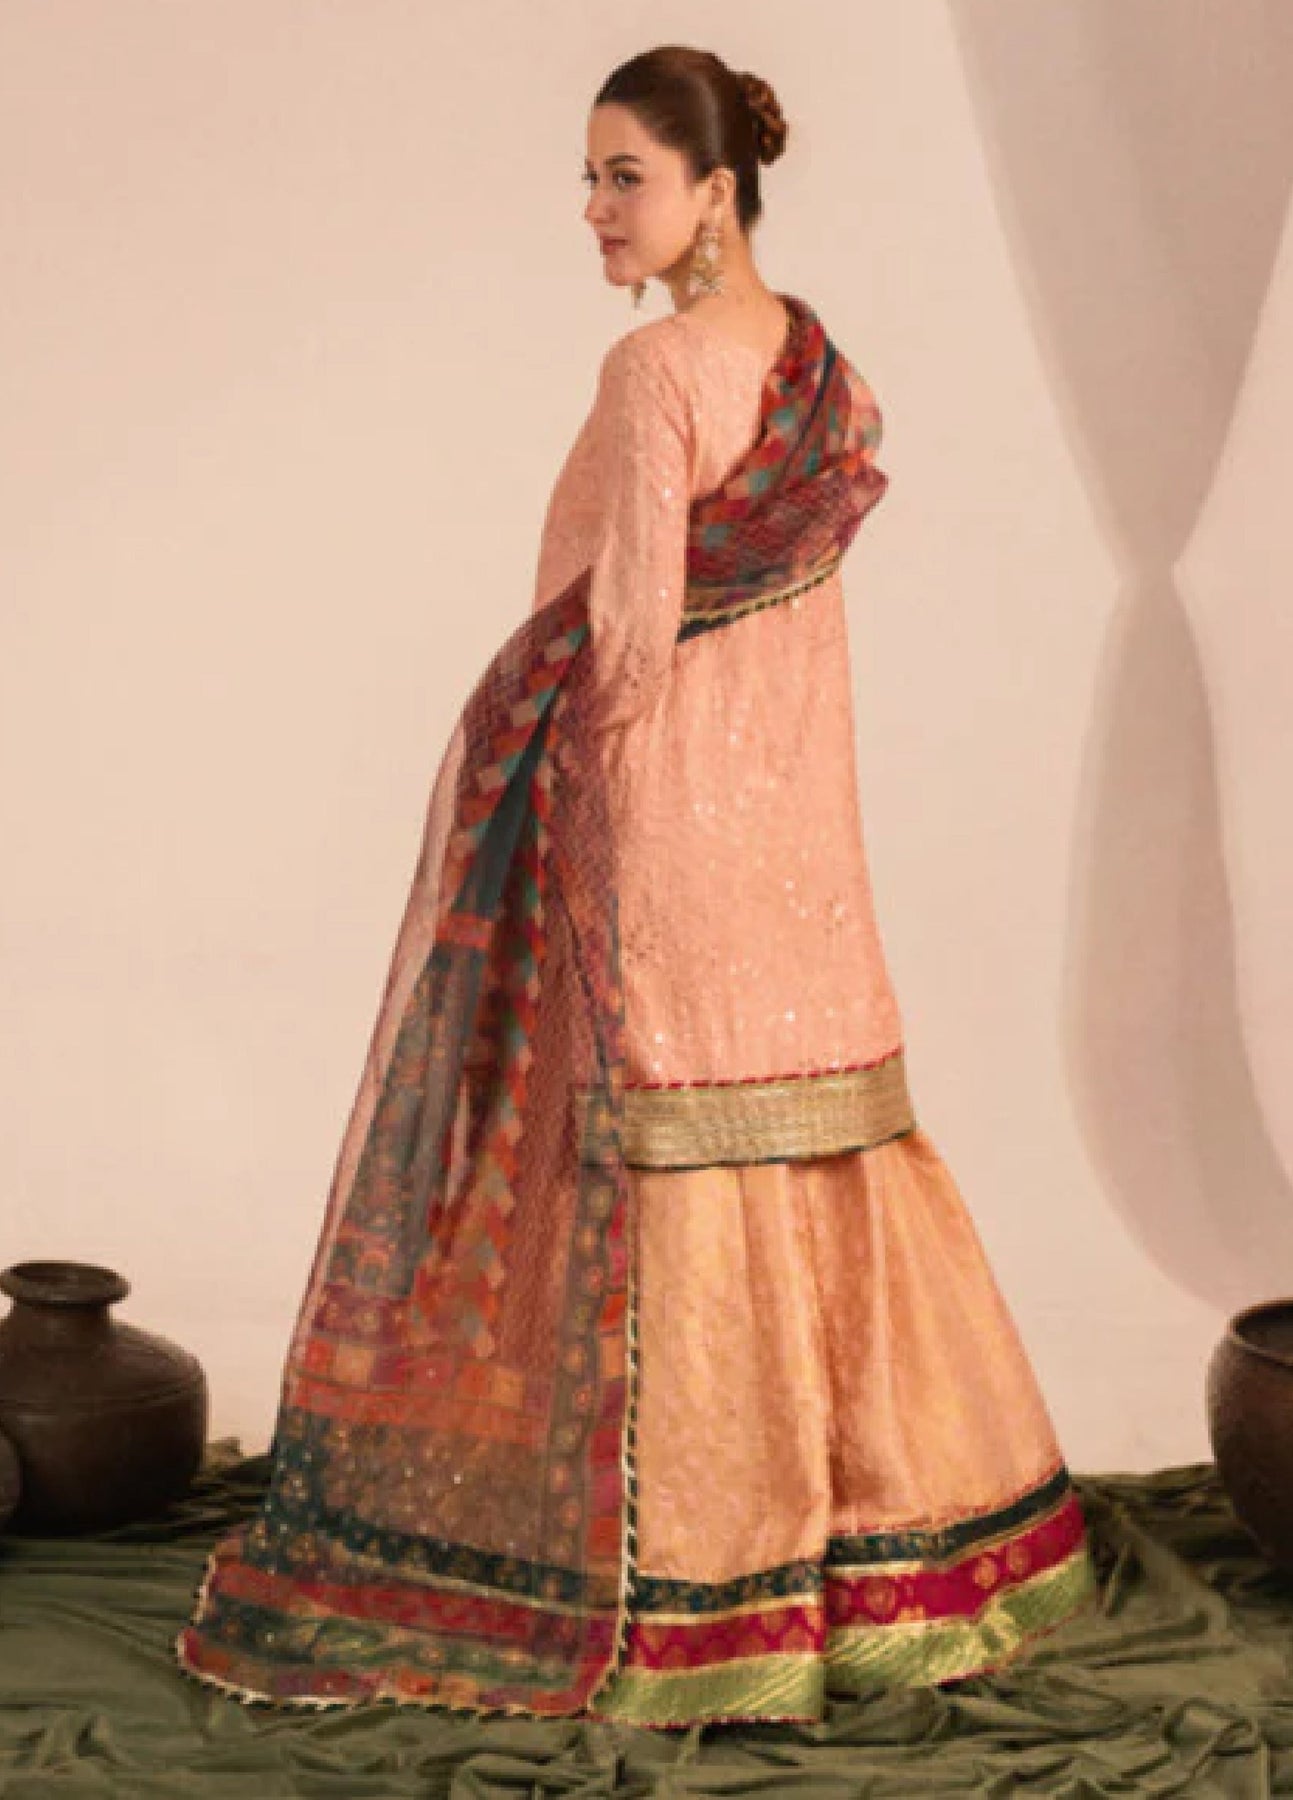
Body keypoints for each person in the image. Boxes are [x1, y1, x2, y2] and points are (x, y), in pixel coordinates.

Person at [175, 44, 1097, 1729]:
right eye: (589, 176)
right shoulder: (819, 366)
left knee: (672, 1149)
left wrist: (534, 769)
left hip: (669, 826)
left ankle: (694, 1578)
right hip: (800, 832)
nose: (594, 210)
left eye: (625, 177)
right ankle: (892, 1560)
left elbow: (626, 639)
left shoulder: (654, 367)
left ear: (711, 192)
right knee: (818, 1124)